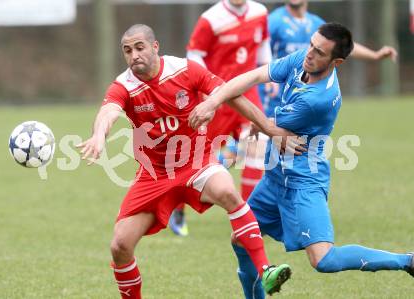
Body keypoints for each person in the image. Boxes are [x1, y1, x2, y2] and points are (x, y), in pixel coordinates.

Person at [77, 24, 304, 298]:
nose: (134, 55)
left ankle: (265, 270)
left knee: (227, 192)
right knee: (120, 246)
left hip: (196, 162)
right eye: (127, 50)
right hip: (154, 174)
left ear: (155, 46)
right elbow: (108, 112)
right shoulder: (124, 85)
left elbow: (230, 94)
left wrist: (269, 128)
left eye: (139, 47)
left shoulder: (185, 70)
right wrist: (99, 136)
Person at [189, 22, 414, 299]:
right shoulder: (303, 61)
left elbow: (264, 124)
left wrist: (221, 98)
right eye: (311, 45)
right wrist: (215, 100)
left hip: (303, 181)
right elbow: (252, 78)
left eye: (319, 52)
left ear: (337, 61)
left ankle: (406, 261)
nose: (309, 53)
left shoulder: (318, 99)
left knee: (323, 260)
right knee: (242, 240)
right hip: (274, 178)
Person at [169, 0, 272, 236]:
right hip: (218, 97)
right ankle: (178, 206)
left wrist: (269, 73)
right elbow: (194, 54)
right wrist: (205, 90)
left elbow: (263, 42)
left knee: (256, 146)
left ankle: (250, 218)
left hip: (248, 94)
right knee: (201, 160)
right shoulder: (211, 19)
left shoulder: (260, 12)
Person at [262, 0, 398, 117]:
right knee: (267, 138)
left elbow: (343, 46)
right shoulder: (274, 21)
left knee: (300, 142)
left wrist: (375, 55)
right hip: (277, 95)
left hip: (306, 95)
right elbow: (259, 51)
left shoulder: (315, 22)